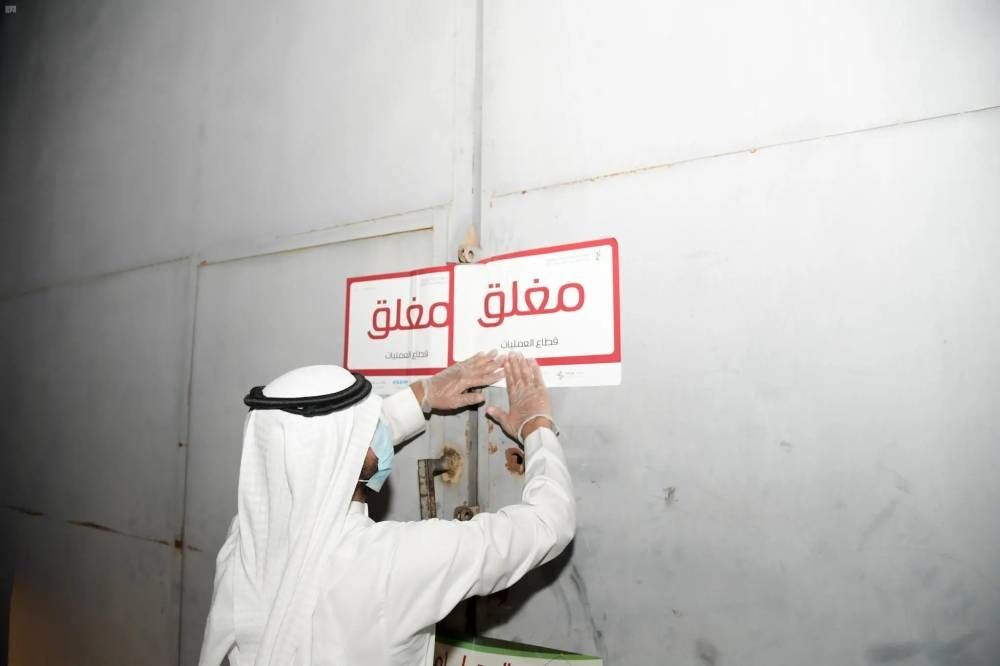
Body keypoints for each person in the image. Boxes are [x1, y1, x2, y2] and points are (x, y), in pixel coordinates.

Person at [198, 351, 575, 665]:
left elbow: (323, 451)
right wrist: (535, 425)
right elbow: (549, 523)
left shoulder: (244, 546)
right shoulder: (393, 562)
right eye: (370, 424)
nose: (378, 429)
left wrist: (423, 394)